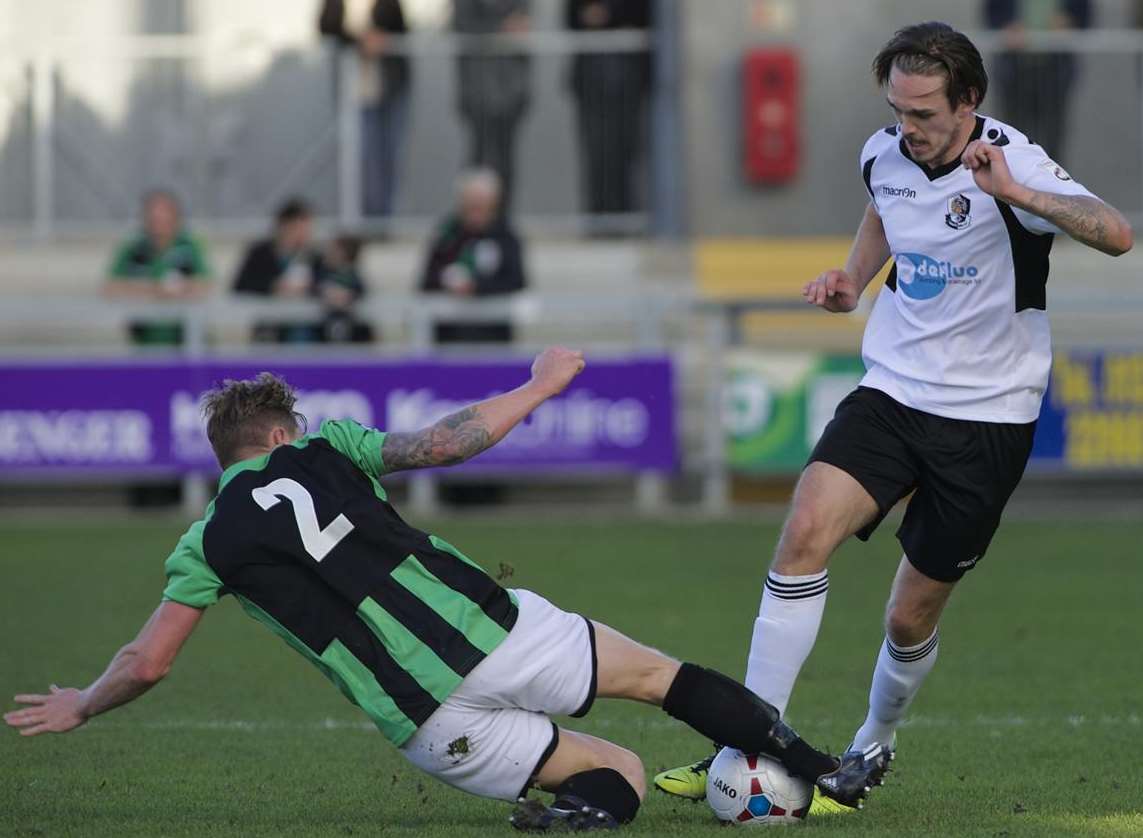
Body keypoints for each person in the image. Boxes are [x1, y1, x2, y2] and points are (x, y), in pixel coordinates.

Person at [4, 348, 890, 831]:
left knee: (612, 773)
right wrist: (539, 385)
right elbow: (444, 445)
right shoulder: (328, 447)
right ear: (279, 433)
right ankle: (821, 769)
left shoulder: (204, 543)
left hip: (426, 723)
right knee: (659, 681)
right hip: (495, 632)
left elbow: (149, 662)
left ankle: (582, 816)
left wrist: (85, 702)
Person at [654, 20, 1132, 816]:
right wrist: (851, 278)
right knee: (802, 533)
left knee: (909, 614)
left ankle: (872, 741)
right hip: (892, 391)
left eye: (922, 115)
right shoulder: (883, 153)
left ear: (968, 102)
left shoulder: (1013, 161)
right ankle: (745, 744)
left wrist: (1013, 192)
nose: (906, 129)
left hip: (987, 416)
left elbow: (1115, 234)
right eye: (897, 110)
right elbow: (884, 209)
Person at [319, 0, 411, 219]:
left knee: (390, 155)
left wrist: (381, 38)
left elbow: (401, 26)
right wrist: (357, 41)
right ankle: (365, 219)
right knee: (363, 156)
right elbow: (327, 26)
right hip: (357, 93)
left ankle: (383, 219)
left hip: (390, 87)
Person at [565, 0, 651, 218]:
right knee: (597, 152)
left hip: (627, 79)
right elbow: (571, 18)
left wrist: (609, 14)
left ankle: (624, 215)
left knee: (626, 150)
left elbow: (644, 14)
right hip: (591, 80)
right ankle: (599, 217)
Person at [420, 168, 525, 344]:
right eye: (471, 203)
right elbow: (426, 281)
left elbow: (517, 280)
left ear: (494, 203)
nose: (476, 211)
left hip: (493, 340)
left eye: (481, 204)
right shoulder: (446, 234)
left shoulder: (505, 236)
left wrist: (476, 287)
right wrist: (448, 284)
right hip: (448, 339)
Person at [983, 0, 1091, 164]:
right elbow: (992, 11)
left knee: (1052, 139)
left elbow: (1083, 12)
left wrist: (1070, 23)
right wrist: (1005, 27)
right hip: (1014, 68)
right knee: (1013, 140)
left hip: (1056, 68)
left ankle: (1050, 185)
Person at [105, 188, 212, 347]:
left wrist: (178, 290)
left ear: (176, 218)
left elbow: (205, 285)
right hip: (144, 342)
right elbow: (110, 287)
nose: (159, 221)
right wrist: (154, 290)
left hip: (186, 342)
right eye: (153, 216)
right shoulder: (132, 248)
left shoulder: (190, 246)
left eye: (165, 216)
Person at [454, 0, 531, 210]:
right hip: (477, 89)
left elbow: (524, 26)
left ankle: (502, 216)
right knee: (478, 157)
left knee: (506, 158)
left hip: (511, 90)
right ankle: (474, 216)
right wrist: (500, 29)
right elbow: (462, 24)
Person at [232, 197, 321, 344]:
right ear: (284, 226)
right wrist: (273, 286)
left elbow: (326, 284)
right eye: (299, 228)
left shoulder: (315, 257)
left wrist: (308, 288)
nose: (305, 234)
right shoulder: (260, 254)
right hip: (270, 335)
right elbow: (240, 285)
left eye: (307, 228)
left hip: (308, 336)